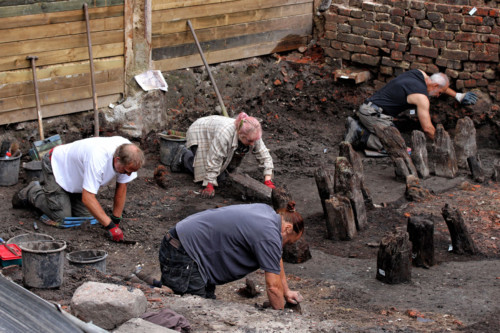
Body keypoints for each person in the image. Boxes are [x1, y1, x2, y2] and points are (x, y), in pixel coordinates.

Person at [159, 202, 304, 309]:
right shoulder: (268, 234)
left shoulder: (267, 213)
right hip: (183, 250)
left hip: (192, 247)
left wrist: (286, 291)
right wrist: (281, 317)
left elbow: (276, 259)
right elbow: (272, 287)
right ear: (287, 228)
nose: (284, 246)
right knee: (193, 309)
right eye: (288, 242)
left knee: (207, 305)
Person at [12, 136, 145, 242]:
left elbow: (122, 187)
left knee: (87, 218)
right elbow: (88, 198)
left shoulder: (128, 154)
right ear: (117, 160)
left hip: (77, 178)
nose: (128, 175)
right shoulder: (98, 159)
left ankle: (63, 196)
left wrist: (115, 220)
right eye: (127, 171)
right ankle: (32, 191)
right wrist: (109, 226)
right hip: (57, 166)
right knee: (62, 218)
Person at [344, 69, 478, 151]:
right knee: (399, 148)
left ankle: (361, 125)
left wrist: (458, 96)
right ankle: (360, 132)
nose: (438, 96)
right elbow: (427, 128)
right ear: (435, 85)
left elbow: (441, 85)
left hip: (369, 107)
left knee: (395, 135)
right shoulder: (421, 97)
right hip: (373, 115)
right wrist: (446, 144)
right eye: (439, 93)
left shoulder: (418, 73)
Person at [170, 112, 275, 198]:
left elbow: (264, 155)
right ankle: (184, 156)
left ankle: (215, 172)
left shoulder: (253, 133)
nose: (253, 144)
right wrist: (209, 184)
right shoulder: (225, 135)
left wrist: (268, 180)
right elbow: (214, 158)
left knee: (222, 175)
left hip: (214, 132)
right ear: (240, 134)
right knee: (206, 176)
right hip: (200, 133)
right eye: (250, 141)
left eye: (254, 141)